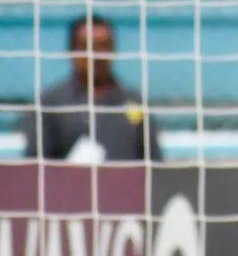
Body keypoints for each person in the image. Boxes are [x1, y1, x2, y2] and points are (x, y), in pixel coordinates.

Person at [20, 13, 161, 162]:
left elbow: (154, 163)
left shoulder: (134, 101)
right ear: (72, 50)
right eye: (87, 46)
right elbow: (35, 168)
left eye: (103, 46)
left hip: (126, 185)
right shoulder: (50, 104)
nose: (96, 55)